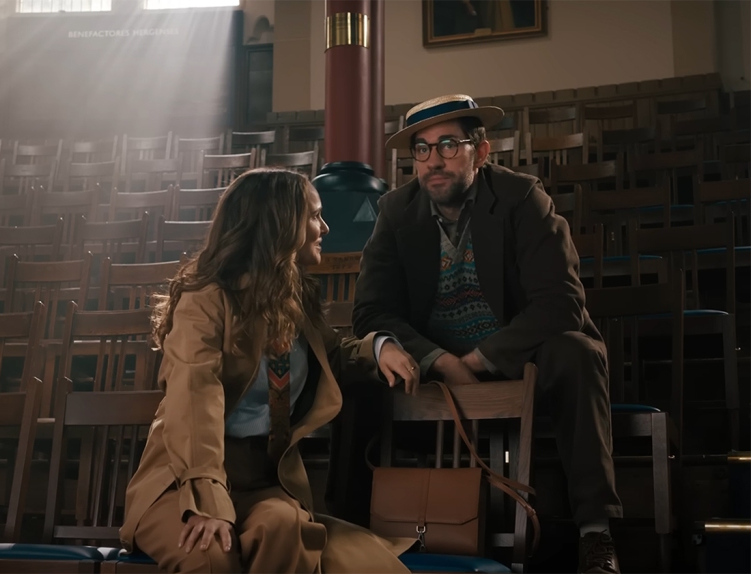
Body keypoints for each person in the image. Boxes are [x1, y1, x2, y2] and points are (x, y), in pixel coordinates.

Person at [350, 95, 622, 574]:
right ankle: (346, 532)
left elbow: (561, 303)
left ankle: (595, 532)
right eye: (422, 149)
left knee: (576, 351)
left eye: (449, 145)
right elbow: (372, 312)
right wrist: (439, 361)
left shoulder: (522, 197)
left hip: (517, 358)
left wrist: (474, 363)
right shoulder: (395, 211)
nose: (434, 160)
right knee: (356, 369)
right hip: (431, 368)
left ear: (481, 151)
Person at [119, 168, 419, 573]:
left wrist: (378, 348)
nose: (325, 227)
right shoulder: (205, 300)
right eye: (314, 215)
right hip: (182, 477)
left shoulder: (294, 300)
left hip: (261, 481)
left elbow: (333, 356)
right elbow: (195, 395)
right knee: (209, 555)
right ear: (280, 224)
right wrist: (207, 499)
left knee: (284, 527)